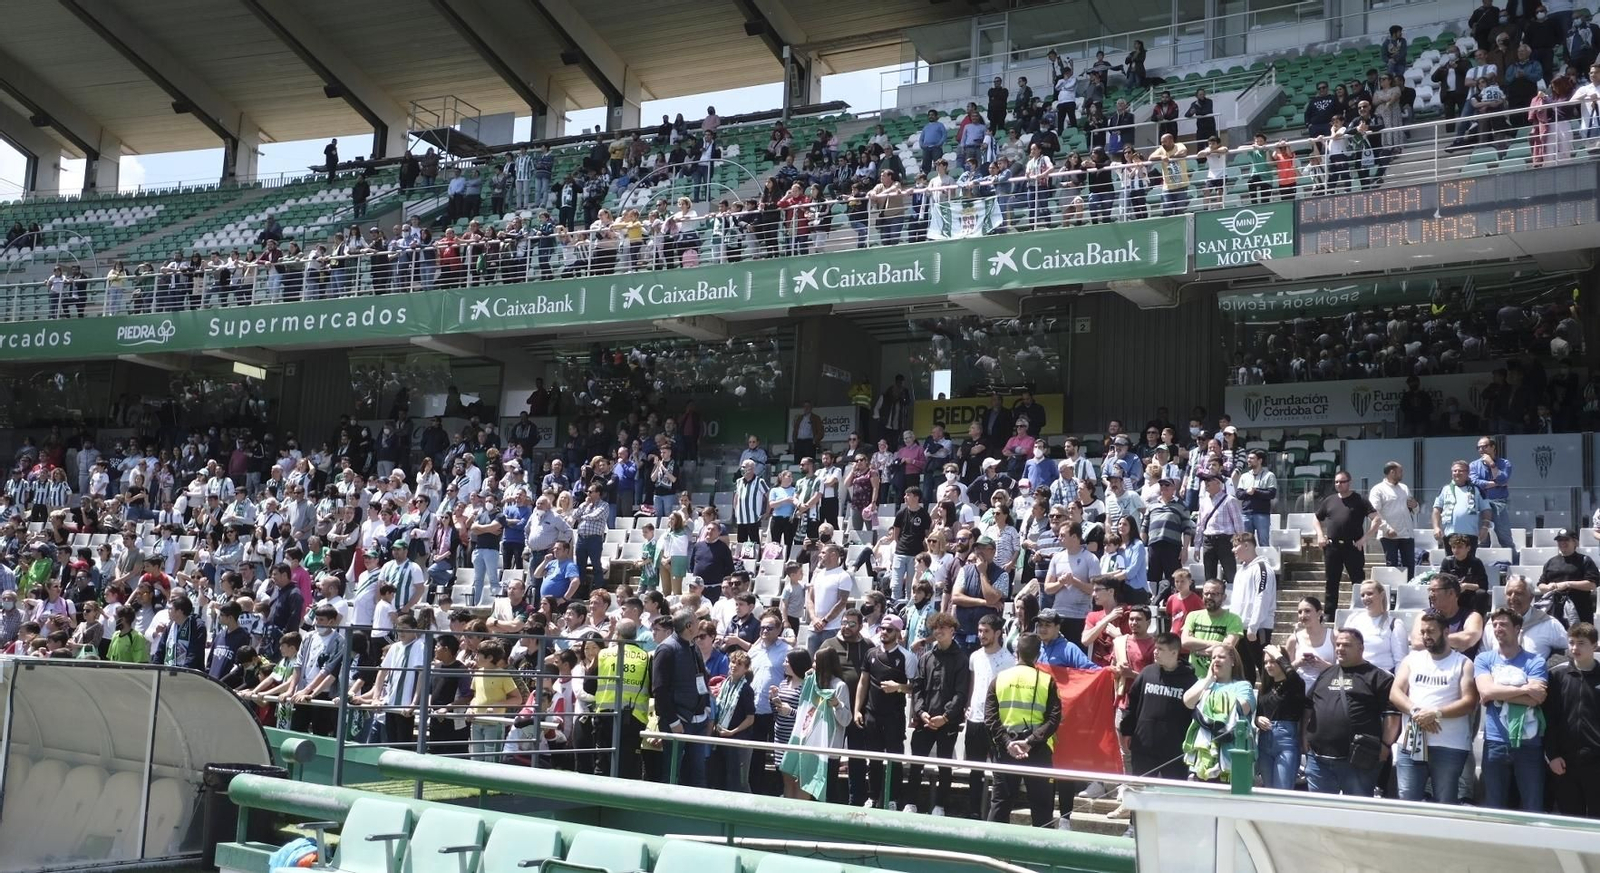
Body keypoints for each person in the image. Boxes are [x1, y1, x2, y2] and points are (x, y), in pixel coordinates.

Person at [1390, 611, 1479, 804]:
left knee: (1445, 802)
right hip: (1411, 743)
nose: (1425, 636)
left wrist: (1435, 713)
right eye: (1422, 632)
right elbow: (1395, 693)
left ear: (1446, 632)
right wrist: (1417, 712)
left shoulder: (1463, 663)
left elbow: (1469, 702)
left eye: (1431, 631)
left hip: (1449, 746)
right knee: (1407, 801)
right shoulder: (1412, 659)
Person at [1304, 629, 1398, 797]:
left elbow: (1392, 715)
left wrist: (1385, 746)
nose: (1340, 648)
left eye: (1346, 645)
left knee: (1356, 815)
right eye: (1338, 644)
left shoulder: (1378, 677)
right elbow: (1309, 706)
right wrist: (1304, 735)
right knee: (1319, 813)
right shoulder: (1326, 673)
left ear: (1361, 648)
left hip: (1357, 761)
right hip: (1319, 760)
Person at [1474, 608, 1548, 811]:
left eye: (1503, 624)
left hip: (1529, 744)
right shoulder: (1484, 659)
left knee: (1533, 805)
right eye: (1495, 624)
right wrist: (1525, 689)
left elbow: (1537, 698)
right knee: (1493, 806)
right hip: (1495, 742)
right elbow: (1486, 692)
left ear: (1517, 629)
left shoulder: (1535, 661)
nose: (1498, 628)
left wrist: (1498, 692)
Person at [985, 633, 1062, 828]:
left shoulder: (999, 679)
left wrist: (1007, 742)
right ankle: (1043, 855)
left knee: (1001, 804)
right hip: (1037, 750)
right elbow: (1054, 719)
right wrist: (1030, 742)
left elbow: (990, 718)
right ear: (1038, 655)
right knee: (1042, 808)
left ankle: (990, 852)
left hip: (1006, 750)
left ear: (1016, 653)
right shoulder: (1047, 681)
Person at [904, 612, 968, 816]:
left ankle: (940, 805)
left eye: (943, 627)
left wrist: (946, 717)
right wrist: (921, 712)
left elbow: (961, 693)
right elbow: (918, 688)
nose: (938, 631)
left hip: (947, 723)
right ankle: (911, 802)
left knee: (945, 765)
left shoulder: (961, 659)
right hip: (925, 721)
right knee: (916, 764)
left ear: (952, 630)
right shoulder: (926, 658)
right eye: (935, 628)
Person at [778, 646, 851, 801]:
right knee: (797, 781)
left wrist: (837, 704)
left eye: (816, 662)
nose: (813, 665)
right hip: (806, 745)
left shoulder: (839, 686)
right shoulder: (811, 681)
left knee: (823, 791)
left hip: (828, 751)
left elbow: (846, 720)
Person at [1122, 631, 1197, 781]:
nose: (1155, 652)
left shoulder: (1190, 680)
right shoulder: (1147, 673)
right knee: (1140, 790)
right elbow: (1132, 703)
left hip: (1175, 749)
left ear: (1174, 652)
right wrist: (1127, 730)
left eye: (1161, 649)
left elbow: (1195, 714)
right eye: (1155, 648)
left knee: (1173, 795)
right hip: (1144, 746)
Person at [651, 608, 713, 788]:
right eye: (696, 621)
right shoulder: (667, 649)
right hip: (678, 723)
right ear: (688, 626)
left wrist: (706, 706)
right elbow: (659, 690)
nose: (699, 623)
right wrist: (672, 721)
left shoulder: (693, 646)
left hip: (699, 720)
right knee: (671, 773)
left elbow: (703, 678)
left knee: (698, 773)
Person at [854, 615, 911, 808]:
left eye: (889, 629)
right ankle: (873, 796)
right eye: (882, 629)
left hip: (894, 717)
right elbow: (863, 683)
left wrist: (899, 687)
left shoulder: (906, 657)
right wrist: (857, 710)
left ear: (898, 633)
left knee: (894, 759)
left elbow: (915, 687)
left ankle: (893, 798)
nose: (884, 632)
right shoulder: (871, 653)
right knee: (874, 758)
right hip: (872, 715)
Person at [1545, 622, 1600, 818]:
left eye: (1581, 643)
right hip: (1564, 762)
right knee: (1570, 819)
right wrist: (1552, 755)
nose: (1575, 648)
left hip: (1596, 762)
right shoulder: (1557, 675)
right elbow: (1549, 718)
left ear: (1594, 646)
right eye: (1571, 642)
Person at [1180, 645, 1255, 783]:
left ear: (1232, 661)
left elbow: (1241, 708)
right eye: (1213, 657)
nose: (1216, 660)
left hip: (1232, 758)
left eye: (1221, 657)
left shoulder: (1243, 686)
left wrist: (1209, 701)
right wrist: (1208, 680)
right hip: (1203, 757)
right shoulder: (1204, 684)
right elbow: (1188, 702)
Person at [1311, 470, 1378, 620]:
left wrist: (1364, 539)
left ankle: (1362, 610)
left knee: (1358, 580)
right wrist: (1320, 535)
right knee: (1331, 581)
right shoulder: (1330, 500)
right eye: (1336, 482)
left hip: (1352, 546)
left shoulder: (1360, 500)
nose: (1339, 485)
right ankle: (1330, 613)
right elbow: (1316, 518)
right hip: (1333, 546)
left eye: (1342, 482)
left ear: (1349, 482)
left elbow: (1376, 519)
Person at [594, 622, 651, 780]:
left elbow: (589, 684)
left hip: (605, 715)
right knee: (628, 765)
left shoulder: (604, 654)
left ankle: (600, 800)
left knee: (603, 762)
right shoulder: (645, 656)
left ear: (617, 634)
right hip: (634, 718)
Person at [1254, 646, 1305, 789]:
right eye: (1266, 662)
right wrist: (1257, 720)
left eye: (1273, 661)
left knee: (1282, 790)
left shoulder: (1294, 684)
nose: (1268, 665)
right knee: (1268, 790)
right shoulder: (1265, 687)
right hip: (1264, 741)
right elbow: (1258, 712)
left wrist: (1278, 655)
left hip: (1286, 741)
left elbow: (1293, 676)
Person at [1228, 533, 1277, 683]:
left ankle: (1268, 701)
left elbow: (1262, 597)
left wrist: (1253, 627)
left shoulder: (1262, 568)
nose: (1233, 550)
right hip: (1239, 628)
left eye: (1236, 546)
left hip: (1256, 628)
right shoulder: (1242, 570)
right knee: (1244, 670)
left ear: (1247, 545)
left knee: (1264, 668)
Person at [1342, 581, 1409, 673]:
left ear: (1381, 595)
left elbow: (1400, 662)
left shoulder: (1395, 624)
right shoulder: (1352, 619)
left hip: (1382, 678)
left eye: (1369, 594)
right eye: (1362, 595)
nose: (1365, 598)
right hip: (1355, 675)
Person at [1180, 578, 1243, 675]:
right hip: (1194, 677)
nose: (1209, 597)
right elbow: (1185, 642)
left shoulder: (1234, 619)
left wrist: (1197, 650)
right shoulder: (1192, 616)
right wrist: (1215, 643)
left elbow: (1226, 648)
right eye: (1206, 594)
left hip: (1220, 678)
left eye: (1214, 594)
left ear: (1224, 597)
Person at [1537, 528, 1599, 626]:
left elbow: (1592, 584)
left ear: (1575, 542)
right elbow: (1541, 584)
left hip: (1580, 610)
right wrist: (1548, 587)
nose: (1562, 542)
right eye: (1560, 540)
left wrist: (1567, 584)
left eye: (1566, 540)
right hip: (1555, 610)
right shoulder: (1551, 562)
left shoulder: (1584, 560)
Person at [1369, 461, 1419, 580]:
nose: (1402, 474)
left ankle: (1408, 590)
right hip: (1389, 535)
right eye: (1400, 471)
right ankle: (1393, 593)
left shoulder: (1404, 488)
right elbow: (1374, 512)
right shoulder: (1378, 489)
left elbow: (1414, 509)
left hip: (1407, 534)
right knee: (1392, 566)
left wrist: (1415, 505)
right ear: (1392, 472)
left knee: (1409, 565)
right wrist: (1386, 528)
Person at [1469, 437, 1516, 561]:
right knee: (1482, 539)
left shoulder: (1505, 463)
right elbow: (1475, 483)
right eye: (1478, 447)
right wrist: (1497, 484)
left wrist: (1492, 464)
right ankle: (1482, 566)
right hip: (1481, 504)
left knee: (1505, 537)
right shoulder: (1473, 465)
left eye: (1484, 446)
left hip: (1499, 503)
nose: (1481, 449)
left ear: (1493, 447)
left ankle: (1514, 565)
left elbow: (1503, 479)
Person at [1432, 460, 1490, 556]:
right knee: (1451, 564)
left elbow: (1486, 509)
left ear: (1468, 473)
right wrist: (1436, 527)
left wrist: (1485, 527)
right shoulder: (1444, 489)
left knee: (1469, 565)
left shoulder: (1477, 489)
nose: (1457, 473)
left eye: (1460, 471)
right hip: (1450, 534)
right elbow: (1437, 509)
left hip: (1470, 534)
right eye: (1454, 471)